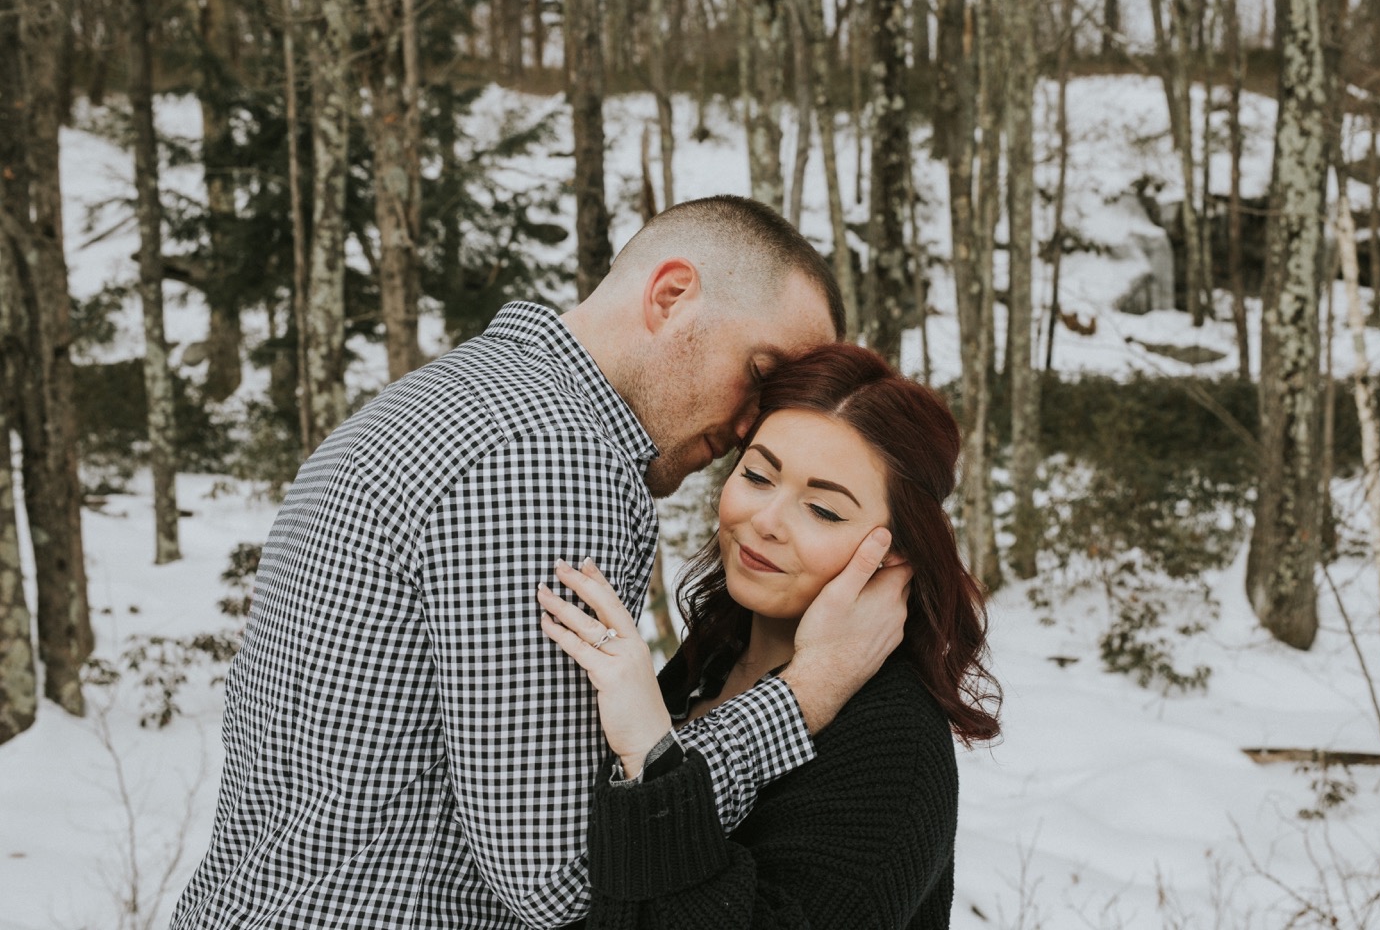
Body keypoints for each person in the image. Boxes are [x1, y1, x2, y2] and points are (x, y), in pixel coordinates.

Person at [170, 196, 913, 930]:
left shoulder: (453, 398)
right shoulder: (550, 456)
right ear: (672, 295)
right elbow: (561, 874)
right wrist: (806, 694)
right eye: (760, 372)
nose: (755, 421)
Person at [541, 342, 1003, 930]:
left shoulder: (894, 745)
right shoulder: (714, 655)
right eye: (757, 475)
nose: (766, 521)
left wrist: (653, 765)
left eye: (824, 511)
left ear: (897, 554)